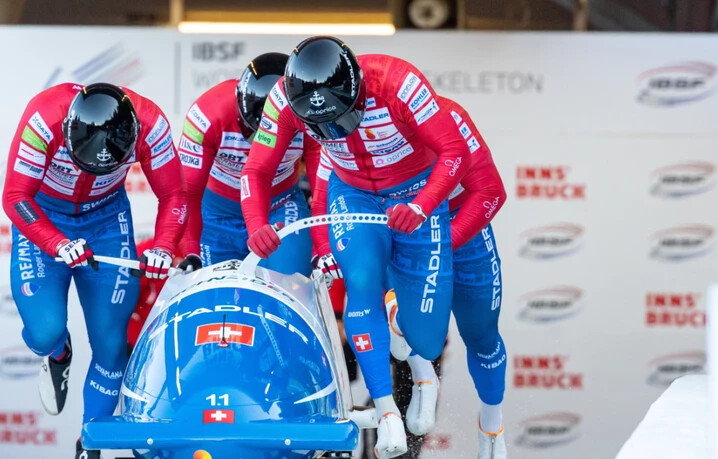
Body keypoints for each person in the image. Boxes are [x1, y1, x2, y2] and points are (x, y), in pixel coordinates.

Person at [241, 35, 476, 458]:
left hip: (412, 194)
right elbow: (257, 170)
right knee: (361, 280)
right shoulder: (283, 102)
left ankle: (419, 378)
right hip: (354, 196)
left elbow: (454, 152)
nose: (331, 133)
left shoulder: (399, 83)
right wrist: (256, 223)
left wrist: (423, 206)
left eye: (340, 119)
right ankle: (385, 412)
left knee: (421, 328)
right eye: (321, 128)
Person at [2, 82, 196, 458]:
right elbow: (14, 197)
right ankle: (58, 354)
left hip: (106, 221)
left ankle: (91, 443)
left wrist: (164, 246)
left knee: (110, 345)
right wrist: (56, 243)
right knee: (44, 332)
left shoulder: (151, 125)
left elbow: (175, 194)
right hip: (45, 219)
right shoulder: (43, 119)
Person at [314, 90, 508, 458]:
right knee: (376, 285)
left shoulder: (449, 121)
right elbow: (332, 212)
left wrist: (438, 246)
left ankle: (486, 425)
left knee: (477, 332)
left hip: (456, 230)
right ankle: (407, 376)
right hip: (401, 237)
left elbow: (491, 191)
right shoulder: (347, 138)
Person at [176, 53, 320, 274]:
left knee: (289, 282)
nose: (259, 144)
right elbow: (188, 192)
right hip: (217, 216)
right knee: (219, 301)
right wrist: (191, 251)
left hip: (281, 207)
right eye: (252, 132)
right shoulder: (206, 115)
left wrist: (323, 246)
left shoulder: (307, 112)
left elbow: (320, 187)